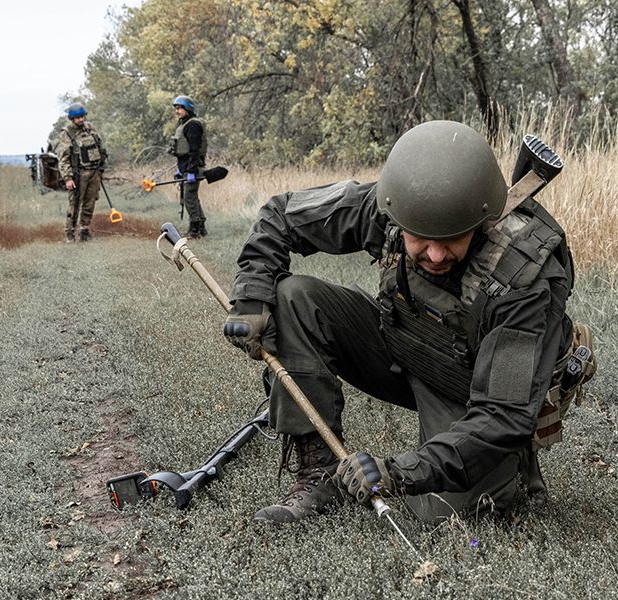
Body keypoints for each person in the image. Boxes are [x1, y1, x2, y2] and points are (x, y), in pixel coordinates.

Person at [223, 120, 596, 524]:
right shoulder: (393, 205)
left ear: (481, 220)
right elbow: (281, 215)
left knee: (447, 516)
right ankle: (321, 472)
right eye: (419, 238)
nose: (435, 255)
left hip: (475, 393)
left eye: (452, 238)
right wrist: (251, 296)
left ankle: (518, 473)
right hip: (405, 348)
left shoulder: (525, 277)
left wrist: (399, 474)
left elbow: (503, 414)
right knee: (292, 297)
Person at [57, 103, 107, 243]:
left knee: (90, 202)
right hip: (78, 174)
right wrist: (68, 178)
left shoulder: (90, 128)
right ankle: (70, 233)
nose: (81, 120)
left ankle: (84, 230)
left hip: (94, 172)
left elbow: (100, 148)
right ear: (72, 119)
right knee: (75, 203)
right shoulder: (67, 133)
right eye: (78, 118)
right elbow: (63, 158)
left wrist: (101, 168)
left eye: (82, 116)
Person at [168, 95, 208, 239]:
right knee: (191, 197)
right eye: (176, 108)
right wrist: (181, 169)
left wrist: (191, 171)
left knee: (189, 198)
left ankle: (194, 230)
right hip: (186, 168)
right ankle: (201, 227)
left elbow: (194, 149)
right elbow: (183, 150)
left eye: (179, 108)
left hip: (193, 169)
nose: (177, 111)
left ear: (187, 109)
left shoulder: (192, 125)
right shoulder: (184, 124)